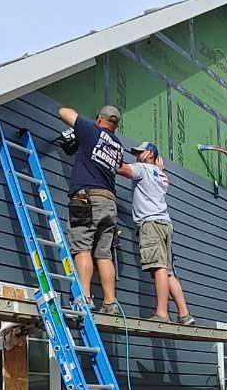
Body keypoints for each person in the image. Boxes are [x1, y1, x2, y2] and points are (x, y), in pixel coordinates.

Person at [58, 104, 125, 315]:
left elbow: (63, 112)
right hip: (109, 202)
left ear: (100, 119)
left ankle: (84, 298)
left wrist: (85, 127)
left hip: (88, 198)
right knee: (104, 254)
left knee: (82, 247)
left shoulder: (91, 131)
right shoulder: (118, 146)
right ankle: (110, 302)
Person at [117, 142, 194, 325]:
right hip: (165, 223)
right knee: (168, 271)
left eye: (140, 153)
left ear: (150, 153)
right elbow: (155, 176)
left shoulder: (142, 168)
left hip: (151, 224)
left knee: (159, 267)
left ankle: (162, 313)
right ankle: (184, 314)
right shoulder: (162, 175)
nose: (136, 156)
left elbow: (123, 169)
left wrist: (103, 154)